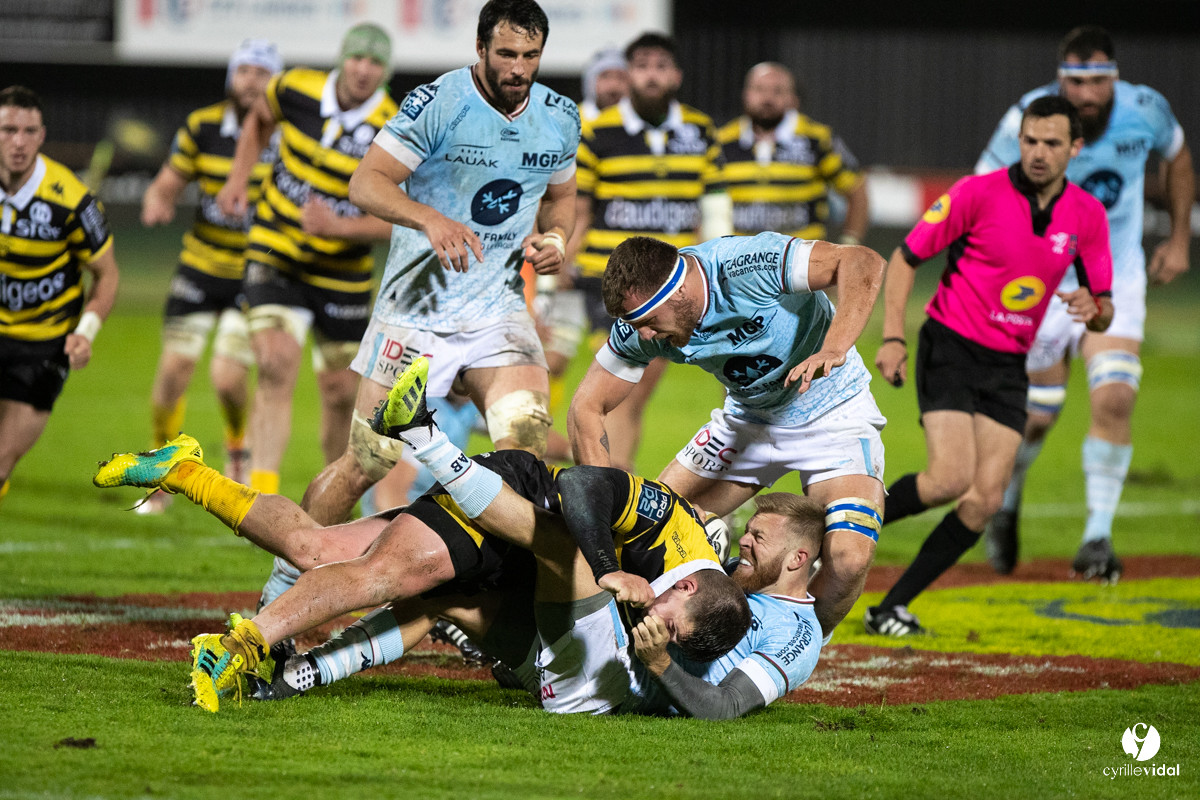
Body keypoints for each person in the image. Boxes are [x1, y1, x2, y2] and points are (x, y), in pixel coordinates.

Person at [93, 359, 748, 714]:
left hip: (518, 566)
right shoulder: (671, 531)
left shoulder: (684, 606)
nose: (652, 625)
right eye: (667, 616)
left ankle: (184, 469)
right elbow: (582, 487)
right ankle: (244, 646)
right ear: (684, 584)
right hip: (508, 507)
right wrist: (609, 567)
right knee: (390, 578)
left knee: (315, 550)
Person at [295, 0, 580, 532]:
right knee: (368, 463)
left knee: (524, 462)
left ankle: (475, 599)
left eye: (531, 55)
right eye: (507, 54)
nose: (519, 68)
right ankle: (290, 578)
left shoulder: (560, 117)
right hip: (416, 312)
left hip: (499, 313)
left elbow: (563, 196)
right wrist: (429, 219)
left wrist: (557, 237)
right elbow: (366, 182)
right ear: (480, 49)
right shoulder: (437, 104)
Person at [868, 97, 1113, 636]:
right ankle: (828, 528)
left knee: (985, 500)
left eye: (1052, 143)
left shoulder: (1087, 216)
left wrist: (1096, 311)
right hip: (950, 346)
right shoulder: (977, 193)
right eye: (1030, 140)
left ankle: (889, 607)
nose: (1038, 153)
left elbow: (1103, 307)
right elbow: (906, 258)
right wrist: (892, 337)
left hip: (1008, 365)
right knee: (946, 480)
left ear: (1076, 148)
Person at [568, 231, 888, 636]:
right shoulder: (641, 326)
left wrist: (834, 347)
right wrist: (600, 508)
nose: (645, 335)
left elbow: (862, 260)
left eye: (649, 321)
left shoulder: (744, 265)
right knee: (638, 531)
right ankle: (617, 647)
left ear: (678, 289)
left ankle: (793, 646)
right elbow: (586, 406)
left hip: (832, 412)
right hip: (747, 423)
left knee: (848, 559)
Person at [976, 26, 1193, 581]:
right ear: (1061, 78)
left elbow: (1179, 157)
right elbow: (982, 184)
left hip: (1112, 277)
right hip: (1040, 282)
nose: (1087, 95)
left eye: (1098, 81)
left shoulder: (1146, 109)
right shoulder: (1029, 116)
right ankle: (1009, 493)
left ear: (1114, 77)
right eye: (1076, 82)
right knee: (1037, 418)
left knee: (1115, 395)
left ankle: (1097, 538)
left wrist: (1176, 239)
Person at [215, 23, 398, 496]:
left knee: (340, 392)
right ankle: (262, 496)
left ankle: (335, 497)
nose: (364, 69)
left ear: (385, 71)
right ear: (343, 59)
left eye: (376, 62)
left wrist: (340, 227)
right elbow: (258, 117)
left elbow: (402, 219)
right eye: (357, 58)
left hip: (343, 270)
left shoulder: (397, 127)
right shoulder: (294, 87)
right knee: (275, 362)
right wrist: (239, 177)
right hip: (275, 248)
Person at [570, 32, 731, 471]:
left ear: (676, 75)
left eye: (661, 65)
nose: (652, 74)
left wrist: (720, 266)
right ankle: (612, 496)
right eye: (642, 65)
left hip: (671, 289)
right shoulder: (598, 131)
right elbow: (578, 210)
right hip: (608, 283)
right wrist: (550, 284)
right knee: (620, 395)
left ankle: (607, 492)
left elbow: (714, 210)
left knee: (627, 398)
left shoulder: (699, 131)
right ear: (628, 74)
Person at [136, 40, 283, 512]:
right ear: (231, 76)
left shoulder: (286, 136)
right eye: (244, 70)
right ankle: (164, 470)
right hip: (200, 267)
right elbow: (168, 182)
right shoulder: (202, 126)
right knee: (172, 372)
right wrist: (157, 199)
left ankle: (237, 446)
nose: (251, 80)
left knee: (226, 377)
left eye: (263, 72)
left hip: (254, 274)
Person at [0, 86, 120, 508]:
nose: (18, 142)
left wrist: (86, 332)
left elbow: (107, 276)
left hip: (43, 346)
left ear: (42, 135)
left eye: (29, 131)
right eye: (8, 129)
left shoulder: (70, 201)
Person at [632, 492, 824, 719]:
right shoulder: (727, 572)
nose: (743, 541)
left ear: (797, 559)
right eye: (746, 532)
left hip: (624, 683)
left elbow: (727, 705)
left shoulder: (795, 632)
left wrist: (658, 663)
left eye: (758, 537)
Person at [718, 62, 868, 245]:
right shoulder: (722, 142)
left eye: (778, 91)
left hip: (803, 265)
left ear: (792, 98)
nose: (767, 98)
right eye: (759, 89)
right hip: (740, 265)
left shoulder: (817, 140)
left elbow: (857, 192)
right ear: (745, 94)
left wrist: (849, 243)